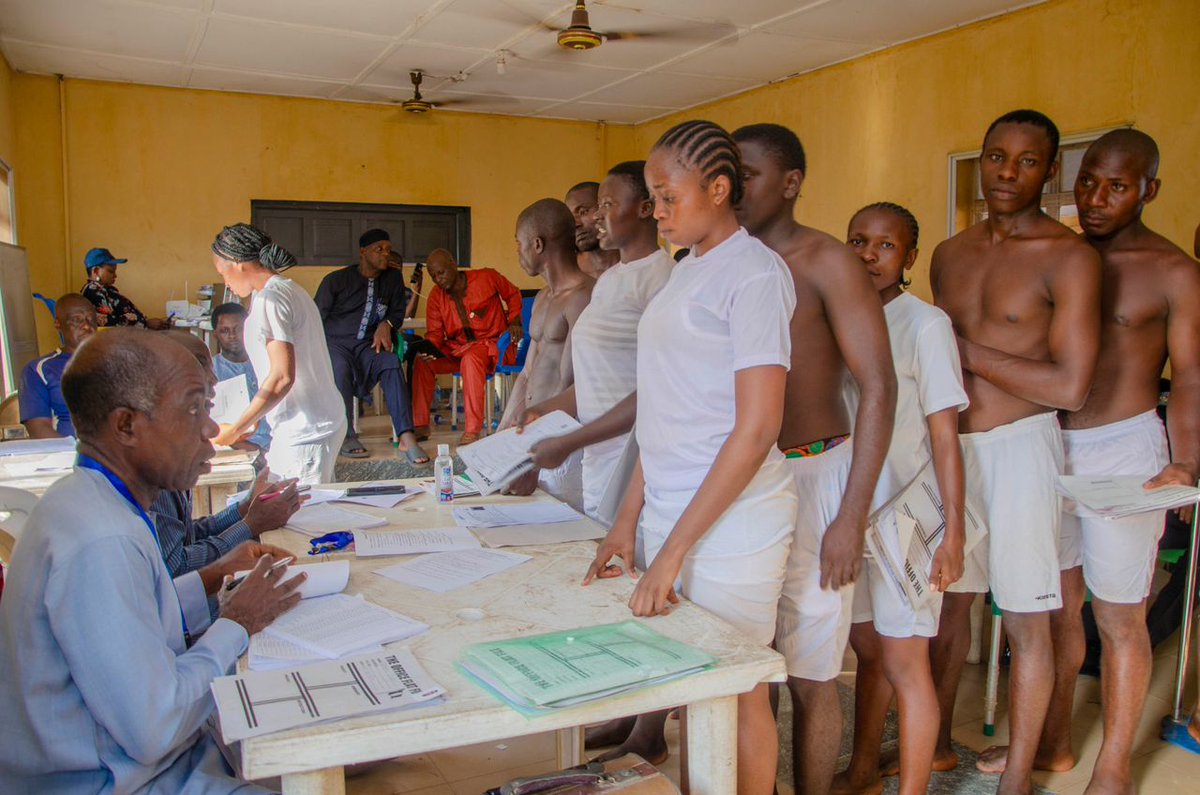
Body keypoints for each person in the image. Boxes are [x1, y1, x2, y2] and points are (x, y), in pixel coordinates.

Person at [585, 120, 799, 795]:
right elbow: (663, 410)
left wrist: (673, 552)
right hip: (673, 506)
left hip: (736, 520)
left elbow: (757, 428)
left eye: (668, 197)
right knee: (690, 677)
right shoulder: (685, 271)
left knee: (737, 687)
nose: (657, 211)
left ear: (719, 188)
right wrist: (628, 519)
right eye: (653, 198)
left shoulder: (756, 274)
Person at [985, 130, 1200, 790]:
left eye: (1118, 186)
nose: (1097, 198)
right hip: (1046, 442)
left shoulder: (1171, 271)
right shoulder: (1059, 255)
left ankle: (1113, 766)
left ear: (1149, 190)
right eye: (1087, 182)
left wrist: (1186, 462)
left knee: (1119, 616)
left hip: (1125, 450)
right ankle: (1051, 742)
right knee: (1054, 607)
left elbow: (1192, 376)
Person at [0, 328, 303, 793]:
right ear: (126, 426)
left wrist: (214, 579)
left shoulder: (91, 499)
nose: (210, 429)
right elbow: (156, 726)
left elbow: (133, 612)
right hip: (124, 781)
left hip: (156, 758)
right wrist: (237, 623)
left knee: (331, 744)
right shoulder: (101, 539)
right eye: (194, 408)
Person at [932, 109, 1101, 794]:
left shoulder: (1069, 257)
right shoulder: (949, 253)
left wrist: (966, 351)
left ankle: (1018, 778)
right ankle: (934, 746)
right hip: (952, 448)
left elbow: (1071, 385)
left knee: (1030, 619)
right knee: (949, 608)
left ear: (1050, 170)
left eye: (1027, 161)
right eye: (996, 156)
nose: (1007, 172)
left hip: (1022, 448)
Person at [731, 122, 897, 795]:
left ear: (791, 182)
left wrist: (850, 517)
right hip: (741, 481)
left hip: (816, 471)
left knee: (813, 673)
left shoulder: (828, 261)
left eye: (747, 174)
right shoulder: (720, 262)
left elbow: (879, 387)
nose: (731, 188)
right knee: (750, 667)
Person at [832, 203, 969, 795]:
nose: (869, 254)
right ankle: (863, 768)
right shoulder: (835, 315)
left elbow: (945, 434)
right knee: (868, 651)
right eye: (857, 241)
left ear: (910, 257)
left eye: (885, 245)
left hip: (905, 520)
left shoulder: (925, 324)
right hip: (845, 515)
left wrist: (954, 533)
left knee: (905, 661)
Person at [519, 161, 673, 523]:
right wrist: (543, 411)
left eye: (607, 205)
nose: (595, 217)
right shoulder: (609, 280)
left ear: (645, 208)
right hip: (598, 454)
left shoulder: (661, 279)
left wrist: (572, 441)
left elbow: (659, 391)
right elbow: (594, 381)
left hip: (634, 457)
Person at [156, 330, 307, 581]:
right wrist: (250, 526)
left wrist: (244, 510)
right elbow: (177, 566)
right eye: (202, 365)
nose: (214, 378)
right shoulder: (156, 468)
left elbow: (187, 536)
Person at [210, 223, 347, 484]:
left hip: (305, 429)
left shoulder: (270, 299)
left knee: (300, 508)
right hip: (313, 422)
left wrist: (236, 429)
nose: (225, 282)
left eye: (222, 273)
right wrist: (254, 418)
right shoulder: (290, 290)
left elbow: (282, 377)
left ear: (237, 263)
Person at [497, 199, 593, 510]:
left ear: (537, 245)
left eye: (519, 244)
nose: (518, 252)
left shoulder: (583, 297)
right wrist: (500, 434)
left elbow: (571, 384)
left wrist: (534, 460)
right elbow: (527, 373)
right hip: (532, 438)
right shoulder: (541, 298)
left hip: (560, 445)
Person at [315, 229, 428, 463]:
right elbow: (316, 317)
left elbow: (398, 312)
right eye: (379, 249)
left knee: (390, 362)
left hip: (368, 346)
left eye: (388, 249)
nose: (385, 254)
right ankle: (346, 436)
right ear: (363, 252)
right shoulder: (336, 280)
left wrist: (387, 324)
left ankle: (406, 436)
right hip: (337, 345)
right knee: (339, 368)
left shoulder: (392, 279)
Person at [411, 248, 523, 446]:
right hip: (458, 350)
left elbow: (513, 295)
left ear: (453, 264)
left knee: (471, 359)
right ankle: (420, 425)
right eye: (433, 276)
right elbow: (435, 334)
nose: (438, 279)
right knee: (423, 362)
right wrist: (430, 350)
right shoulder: (436, 296)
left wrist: (515, 321)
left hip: (493, 347)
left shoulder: (487, 277)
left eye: (441, 272)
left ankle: (472, 430)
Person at [19, 293, 97, 438]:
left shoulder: (115, 364)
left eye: (92, 319)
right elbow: (39, 430)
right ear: (58, 324)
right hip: (68, 450)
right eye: (76, 320)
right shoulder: (38, 370)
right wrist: (82, 452)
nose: (87, 326)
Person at [212, 302, 272, 453]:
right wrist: (249, 449)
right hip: (236, 449)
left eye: (239, 329)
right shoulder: (211, 372)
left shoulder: (268, 363)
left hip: (277, 443)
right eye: (225, 330)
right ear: (215, 335)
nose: (233, 336)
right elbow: (212, 429)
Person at [79, 246, 167, 328]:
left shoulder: (107, 290)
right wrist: (146, 323)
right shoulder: (93, 290)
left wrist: (147, 322)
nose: (115, 275)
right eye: (111, 271)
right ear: (96, 271)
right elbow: (108, 322)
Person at [566, 181, 620, 279]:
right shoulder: (571, 275)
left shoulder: (637, 261)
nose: (575, 224)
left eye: (583, 212)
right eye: (570, 218)